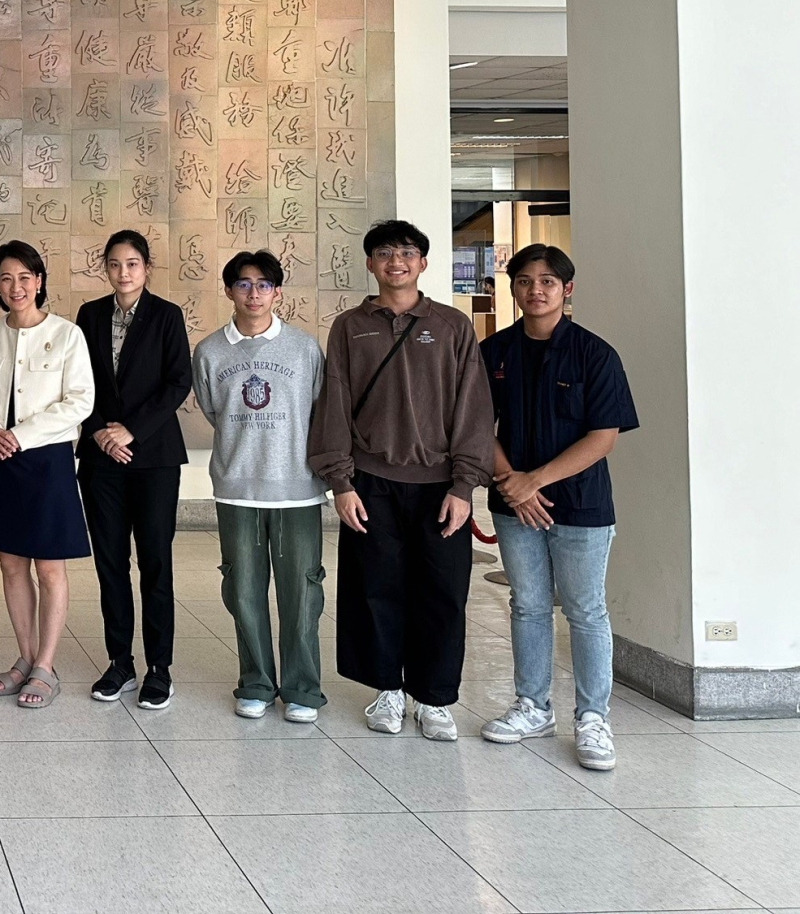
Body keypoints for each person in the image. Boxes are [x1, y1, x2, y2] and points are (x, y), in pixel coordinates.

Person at [309, 219, 492, 741]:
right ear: (369, 263)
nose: (396, 260)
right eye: (385, 252)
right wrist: (340, 482)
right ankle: (387, 689)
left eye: (407, 252)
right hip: (371, 481)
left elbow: (473, 407)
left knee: (442, 592)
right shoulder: (349, 325)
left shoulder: (454, 326)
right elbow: (336, 403)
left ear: (423, 262)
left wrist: (464, 486)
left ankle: (434, 698)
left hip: (440, 485)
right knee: (375, 588)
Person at [478, 245, 638, 770]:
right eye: (524, 281)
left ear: (567, 289)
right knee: (526, 604)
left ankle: (593, 718)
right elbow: (478, 425)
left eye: (547, 281)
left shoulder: (596, 354)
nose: (536, 290)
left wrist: (534, 482)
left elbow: (603, 437)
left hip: (580, 505)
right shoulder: (495, 352)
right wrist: (510, 483)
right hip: (513, 504)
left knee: (585, 610)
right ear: (514, 289)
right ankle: (532, 706)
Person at [193, 250, 330, 724]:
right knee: (244, 591)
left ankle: (302, 689)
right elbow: (214, 411)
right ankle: (255, 682)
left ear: (278, 292)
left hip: (296, 489)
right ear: (229, 290)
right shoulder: (210, 351)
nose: (255, 293)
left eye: (265, 284)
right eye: (244, 284)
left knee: (301, 595)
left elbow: (318, 411)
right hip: (236, 489)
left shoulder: (305, 349)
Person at [0, 242, 95, 708]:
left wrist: (21, 434)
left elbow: (80, 401)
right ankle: (23, 657)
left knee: (49, 567)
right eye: (5, 278)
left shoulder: (67, 335)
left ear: (39, 280)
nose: (15, 286)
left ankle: (46, 665)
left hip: (46, 460)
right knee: (10, 564)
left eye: (24, 277)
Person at [75, 230, 192, 709]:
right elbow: (78, 379)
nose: (123, 273)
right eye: (115, 264)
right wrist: (103, 430)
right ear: (106, 268)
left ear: (146, 268)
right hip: (101, 460)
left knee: (155, 564)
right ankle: (120, 661)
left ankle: (159, 668)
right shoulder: (89, 314)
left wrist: (131, 431)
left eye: (133, 264)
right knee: (110, 564)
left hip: (154, 459)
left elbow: (177, 381)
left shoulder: (166, 316)